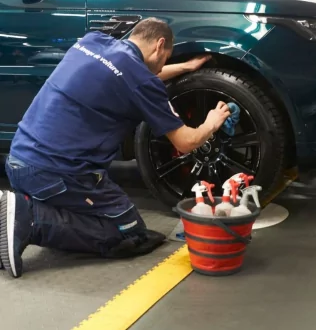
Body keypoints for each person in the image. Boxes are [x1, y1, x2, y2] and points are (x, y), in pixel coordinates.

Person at [0, 17, 231, 278]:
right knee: (130, 232)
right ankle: (29, 219)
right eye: (165, 58)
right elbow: (186, 141)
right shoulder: (142, 82)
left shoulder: (93, 43)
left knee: (96, 215)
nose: (162, 66)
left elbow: (130, 75)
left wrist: (182, 67)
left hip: (20, 161)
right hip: (57, 175)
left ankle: (11, 218)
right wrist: (211, 123)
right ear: (160, 45)